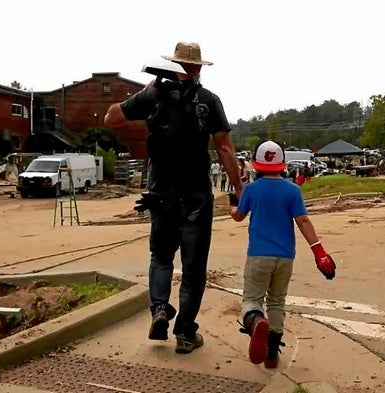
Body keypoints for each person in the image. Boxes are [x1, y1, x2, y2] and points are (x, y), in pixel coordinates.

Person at [104, 41, 243, 354]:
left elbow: (110, 119)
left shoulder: (153, 96)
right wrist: (238, 188)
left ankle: (159, 310)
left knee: (161, 257)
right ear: (196, 68)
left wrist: (143, 92)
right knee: (194, 269)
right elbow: (224, 149)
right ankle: (185, 333)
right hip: (196, 197)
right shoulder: (209, 101)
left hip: (160, 195)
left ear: (174, 65)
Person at [229, 140, 336, 368]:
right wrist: (319, 251)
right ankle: (271, 354)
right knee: (277, 301)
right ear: (282, 164)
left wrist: (231, 209)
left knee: (251, 300)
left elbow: (239, 216)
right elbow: (303, 220)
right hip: (285, 256)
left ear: (256, 165)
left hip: (258, 255)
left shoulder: (252, 190)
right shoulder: (292, 190)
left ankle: (256, 321)